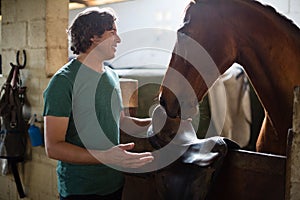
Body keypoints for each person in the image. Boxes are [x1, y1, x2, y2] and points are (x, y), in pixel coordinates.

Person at [43, 7, 154, 200]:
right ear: (94, 36)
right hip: (81, 189)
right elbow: (53, 147)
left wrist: (155, 122)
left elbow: (119, 122)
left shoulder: (111, 75)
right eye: (113, 33)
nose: (118, 40)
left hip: (114, 181)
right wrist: (105, 156)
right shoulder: (64, 81)